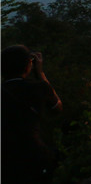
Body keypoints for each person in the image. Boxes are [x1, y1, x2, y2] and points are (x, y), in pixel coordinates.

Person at [2, 45, 63, 183]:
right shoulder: (39, 88)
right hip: (35, 156)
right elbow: (57, 108)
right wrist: (40, 73)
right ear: (28, 65)